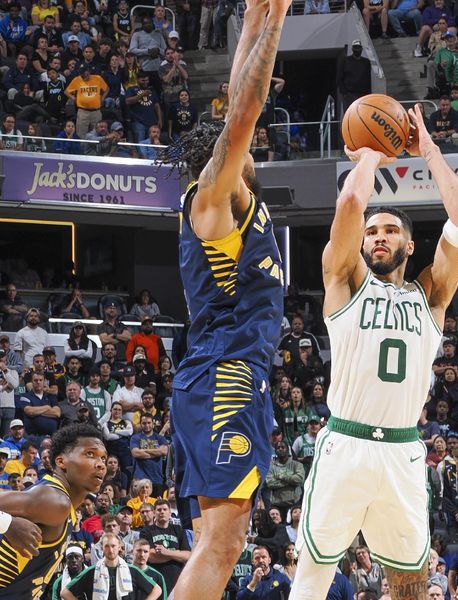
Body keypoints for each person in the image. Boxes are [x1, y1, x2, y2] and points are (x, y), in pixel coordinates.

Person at [289, 101, 458, 600]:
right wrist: (372, 153)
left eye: (390, 230)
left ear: (409, 246)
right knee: (311, 577)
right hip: (345, 444)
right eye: (373, 232)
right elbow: (351, 204)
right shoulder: (345, 281)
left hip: (402, 449)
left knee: (412, 585)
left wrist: (429, 151)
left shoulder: (430, 295)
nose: (378, 236)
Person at [157, 0, 291, 596]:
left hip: (221, 373)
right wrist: (280, 17)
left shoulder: (235, 205)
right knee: (227, 541)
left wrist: (255, 16)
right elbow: (243, 108)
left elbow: (234, 102)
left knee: (214, 539)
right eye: (242, 146)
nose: (252, 147)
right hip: (225, 375)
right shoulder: (212, 198)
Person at [0, 423, 107, 598]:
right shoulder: (54, 500)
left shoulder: (64, 506)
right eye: (90, 454)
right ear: (61, 461)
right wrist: (7, 523)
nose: (101, 464)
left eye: (103, 458)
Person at [61, 532, 162, 600]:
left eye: (113, 546)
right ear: (102, 548)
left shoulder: (131, 570)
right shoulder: (91, 571)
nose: (110, 550)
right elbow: (65, 593)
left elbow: (157, 590)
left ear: (119, 547)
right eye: (107, 546)